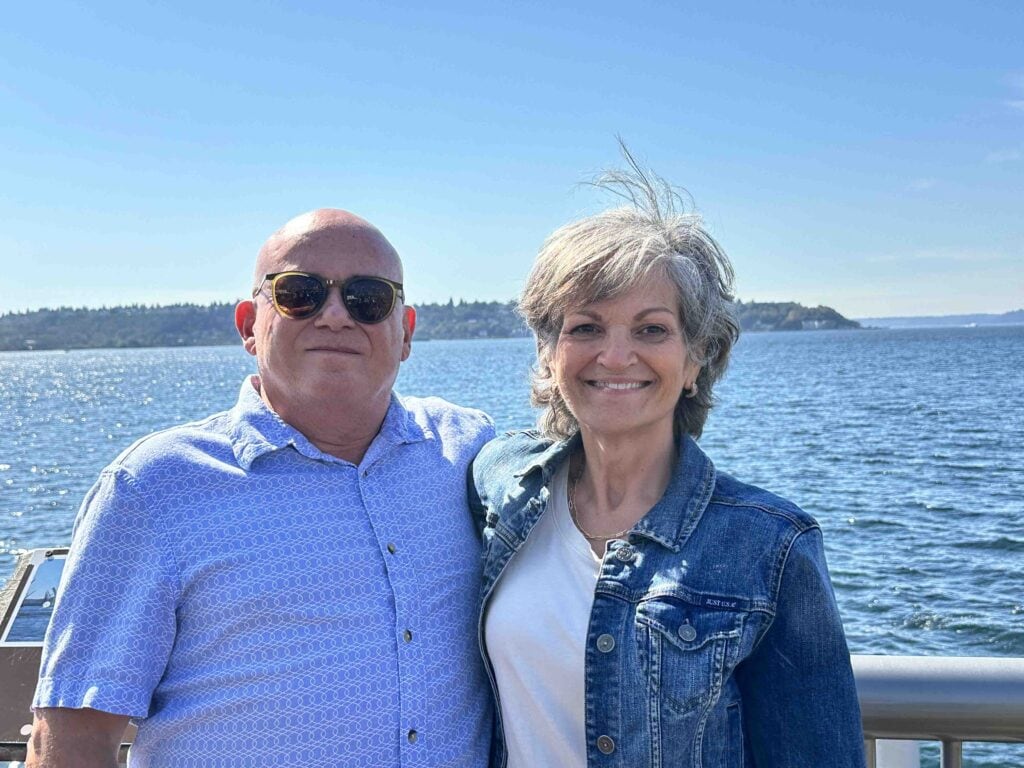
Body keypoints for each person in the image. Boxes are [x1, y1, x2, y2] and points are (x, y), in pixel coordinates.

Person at [28, 209, 495, 767]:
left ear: (406, 333)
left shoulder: (466, 448)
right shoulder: (155, 488)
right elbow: (75, 735)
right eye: (300, 293)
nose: (335, 316)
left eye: (368, 298)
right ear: (250, 325)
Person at [470, 158, 866, 767]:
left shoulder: (770, 547)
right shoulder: (504, 483)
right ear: (549, 353)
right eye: (586, 327)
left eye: (652, 330)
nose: (617, 355)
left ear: (696, 359)